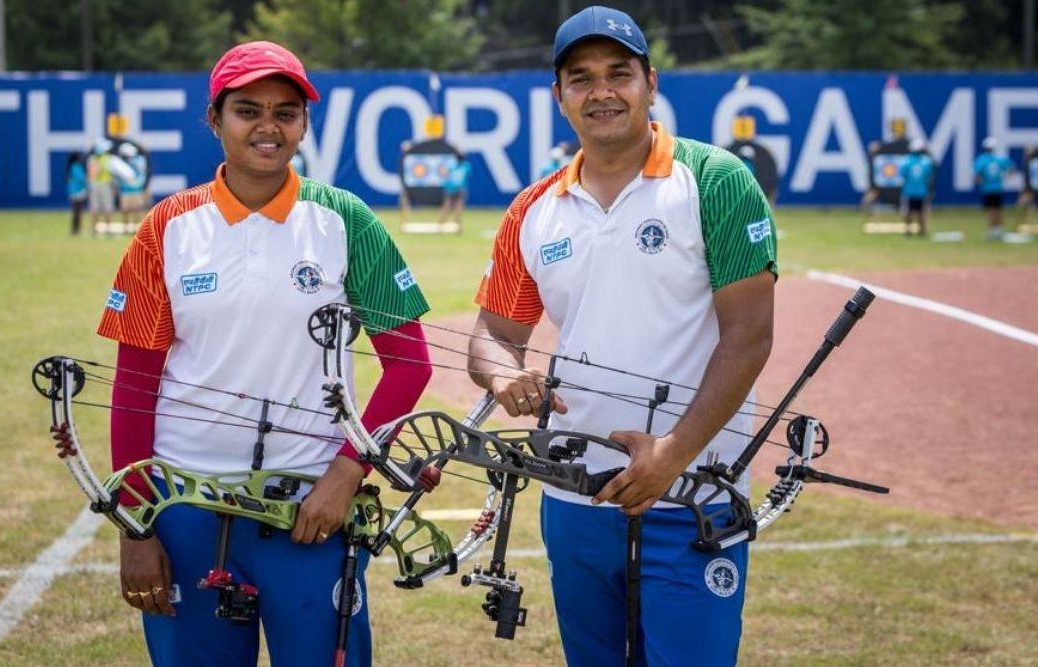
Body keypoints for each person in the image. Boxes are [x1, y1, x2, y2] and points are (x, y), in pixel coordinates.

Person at [96, 40, 433, 666]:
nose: (268, 127)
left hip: (307, 508)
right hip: (184, 504)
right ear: (215, 120)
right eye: (248, 110)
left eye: (286, 111)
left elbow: (410, 365)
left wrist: (345, 473)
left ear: (304, 123)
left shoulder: (344, 219)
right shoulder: (166, 226)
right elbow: (133, 387)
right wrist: (135, 526)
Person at [467, 7, 776, 666]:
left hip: (692, 495)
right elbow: (494, 332)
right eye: (581, 78)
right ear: (559, 95)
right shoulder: (533, 208)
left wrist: (672, 451)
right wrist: (501, 373)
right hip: (573, 495)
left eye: (618, 73)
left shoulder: (715, 181)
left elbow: (748, 336)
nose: (601, 91)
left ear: (650, 82)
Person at [973, 136, 1015, 240]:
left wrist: (979, 181)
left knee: (990, 210)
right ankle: (999, 229)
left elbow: (977, 175)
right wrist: (1004, 177)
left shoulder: (982, 160)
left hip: (987, 189)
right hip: (998, 188)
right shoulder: (1000, 159)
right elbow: (1011, 168)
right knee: (998, 209)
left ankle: (992, 229)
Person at [900, 139, 934, 236]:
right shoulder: (926, 162)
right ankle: (922, 230)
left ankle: (908, 230)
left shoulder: (906, 161)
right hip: (922, 191)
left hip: (908, 191)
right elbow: (929, 176)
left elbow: (903, 175)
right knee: (922, 212)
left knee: (908, 212)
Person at [117, 142, 149, 229]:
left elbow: (141, 174)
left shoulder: (139, 160)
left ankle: (137, 228)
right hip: (126, 190)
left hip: (136, 189)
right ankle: (126, 227)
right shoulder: (121, 163)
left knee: (137, 209)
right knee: (125, 210)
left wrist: (138, 184)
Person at [88, 139, 116, 233]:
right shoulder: (105, 158)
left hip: (97, 184)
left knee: (97, 207)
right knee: (104, 207)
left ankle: (95, 229)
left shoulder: (93, 158)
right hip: (102, 185)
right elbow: (95, 173)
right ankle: (105, 229)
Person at [438, 149, 471, 228]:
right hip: (460, 188)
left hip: (450, 188)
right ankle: (458, 225)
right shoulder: (466, 165)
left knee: (447, 206)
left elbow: (443, 173)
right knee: (459, 207)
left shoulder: (451, 164)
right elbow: (467, 176)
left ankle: (441, 224)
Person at [66, 152, 89, 235]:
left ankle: (76, 229)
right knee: (77, 211)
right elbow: (81, 178)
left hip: (74, 191)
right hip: (77, 192)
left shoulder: (73, 166)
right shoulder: (76, 166)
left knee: (77, 211)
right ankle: (76, 230)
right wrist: (88, 180)